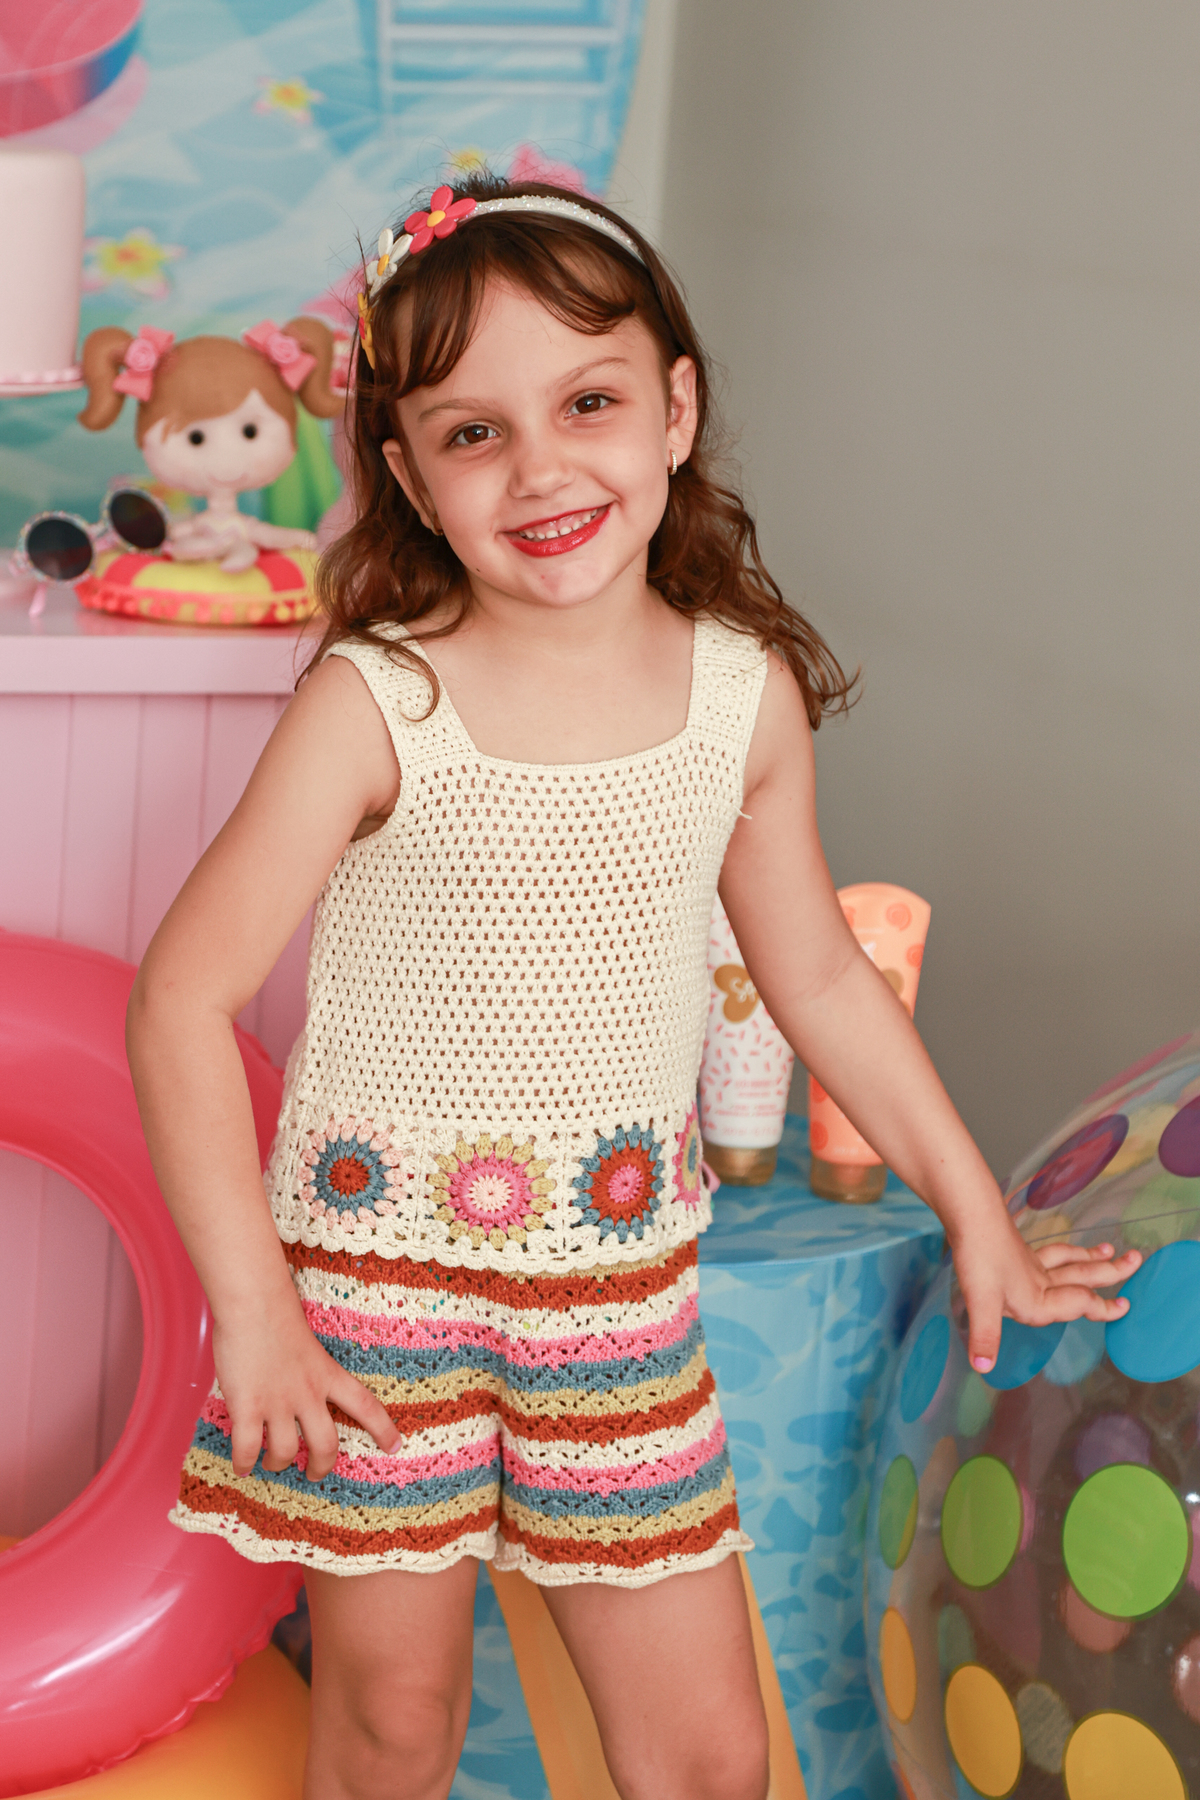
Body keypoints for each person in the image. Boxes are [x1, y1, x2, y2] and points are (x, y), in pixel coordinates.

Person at [126, 175, 1139, 1800]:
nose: (541, 468)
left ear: (674, 409)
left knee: (707, 1755)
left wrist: (981, 1219)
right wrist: (256, 1318)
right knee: (392, 1724)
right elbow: (180, 1000)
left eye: (586, 403)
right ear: (410, 477)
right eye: (474, 433)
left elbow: (820, 976)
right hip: (372, 1292)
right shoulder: (377, 704)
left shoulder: (741, 700)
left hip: (613, 1292)